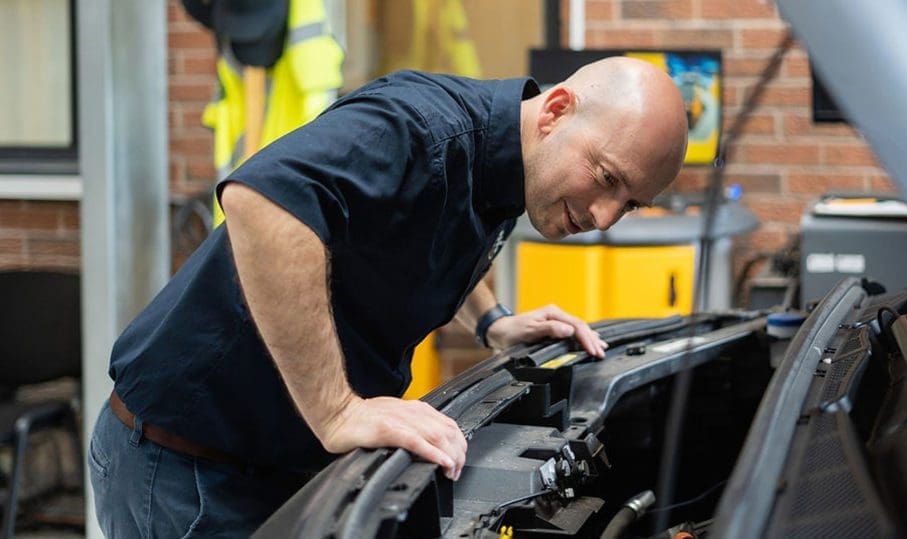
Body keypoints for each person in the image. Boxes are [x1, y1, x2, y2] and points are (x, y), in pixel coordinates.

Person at [88, 56, 688, 536]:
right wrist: (338, 411)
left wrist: (494, 323)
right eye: (607, 179)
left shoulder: (512, 165)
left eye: (630, 203)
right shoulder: (419, 128)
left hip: (277, 467)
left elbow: (438, 233)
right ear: (556, 110)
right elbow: (263, 202)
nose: (607, 216)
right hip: (186, 469)